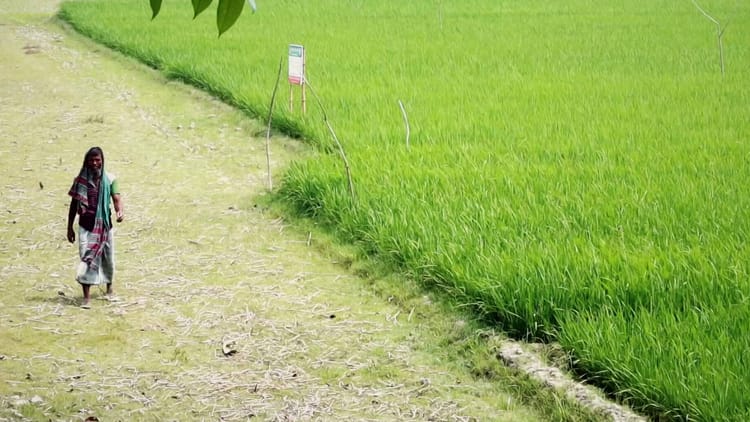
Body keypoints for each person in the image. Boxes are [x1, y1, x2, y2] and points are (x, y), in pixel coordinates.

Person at [66, 147, 124, 309]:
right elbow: (73, 205)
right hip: (86, 225)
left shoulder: (110, 179)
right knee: (87, 259)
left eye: (97, 160)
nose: (94, 163)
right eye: (91, 160)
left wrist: (120, 211)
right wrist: (69, 227)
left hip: (105, 226)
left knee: (108, 258)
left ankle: (109, 290)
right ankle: (86, 298)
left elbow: (116, 198)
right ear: (86, 161)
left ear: (102, 161)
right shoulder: (80, 181)